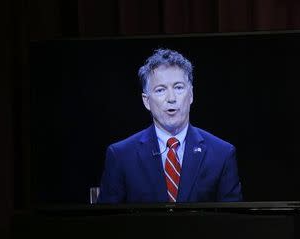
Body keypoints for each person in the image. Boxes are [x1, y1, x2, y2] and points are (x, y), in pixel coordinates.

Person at [97, 48, 242, 203]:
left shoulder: (222, 154)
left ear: (191, 94)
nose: (171, 98)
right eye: (160, 90)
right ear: (146, 101)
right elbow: (108, 224)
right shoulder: (121, 156)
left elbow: (231, 223)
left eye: (178, 87)